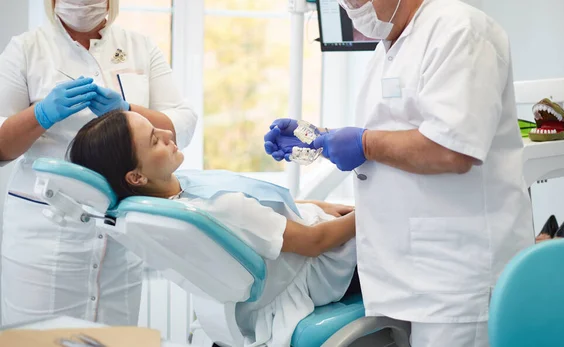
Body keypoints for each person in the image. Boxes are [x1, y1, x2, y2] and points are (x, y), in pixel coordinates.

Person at [263, 0, 534, 346]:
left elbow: (453, 149)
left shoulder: (460, 31)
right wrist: (320, 139)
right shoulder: (389, 48)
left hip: (458, 277)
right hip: (409, 272)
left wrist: (364, 144)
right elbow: (396, 131)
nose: (350, 7)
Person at [68, 110, 359, 346]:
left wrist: (316, 207)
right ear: (135, 177)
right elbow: (314, 242)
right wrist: (369, 213)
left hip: (314, 232)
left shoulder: (175, 198)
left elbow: (260, 211)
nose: (169, 134)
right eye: (155, 140)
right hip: (328, 261)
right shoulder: (220, 208)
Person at [0, 0, 197, 326]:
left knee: (115, 337)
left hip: (120, 237)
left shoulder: (139, 46)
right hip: (43, 239)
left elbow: (184, 123)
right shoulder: (26, 49)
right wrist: (40, 115)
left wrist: (126, 109)